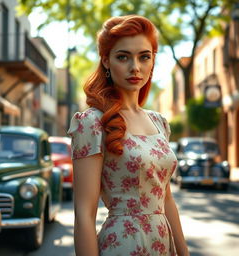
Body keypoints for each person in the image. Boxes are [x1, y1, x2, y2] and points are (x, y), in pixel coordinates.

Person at [68, 15, 189, 256]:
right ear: (106, 61)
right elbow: (84, 212)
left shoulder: (159, 122)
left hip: (162, 246)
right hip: (123, 245)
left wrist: (183, 253)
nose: (135, 67)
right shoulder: (92, 122)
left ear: (153, 61)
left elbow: (166, 199)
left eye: (144, 57)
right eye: (123, 57)